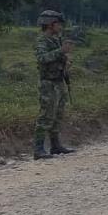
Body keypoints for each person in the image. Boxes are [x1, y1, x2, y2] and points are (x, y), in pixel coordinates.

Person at [33, 10, 76, 160]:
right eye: (58, 24)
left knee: (58, 114)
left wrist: (66, 59)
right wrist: (60, 51)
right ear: (50, 25)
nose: (61, 27)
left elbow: (59, 57)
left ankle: (55, 145)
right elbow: (42, 58)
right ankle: (38, 149)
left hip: (58, 81)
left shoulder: (56, 40)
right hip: (48, 83)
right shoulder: (42, 41)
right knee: (46, 114)